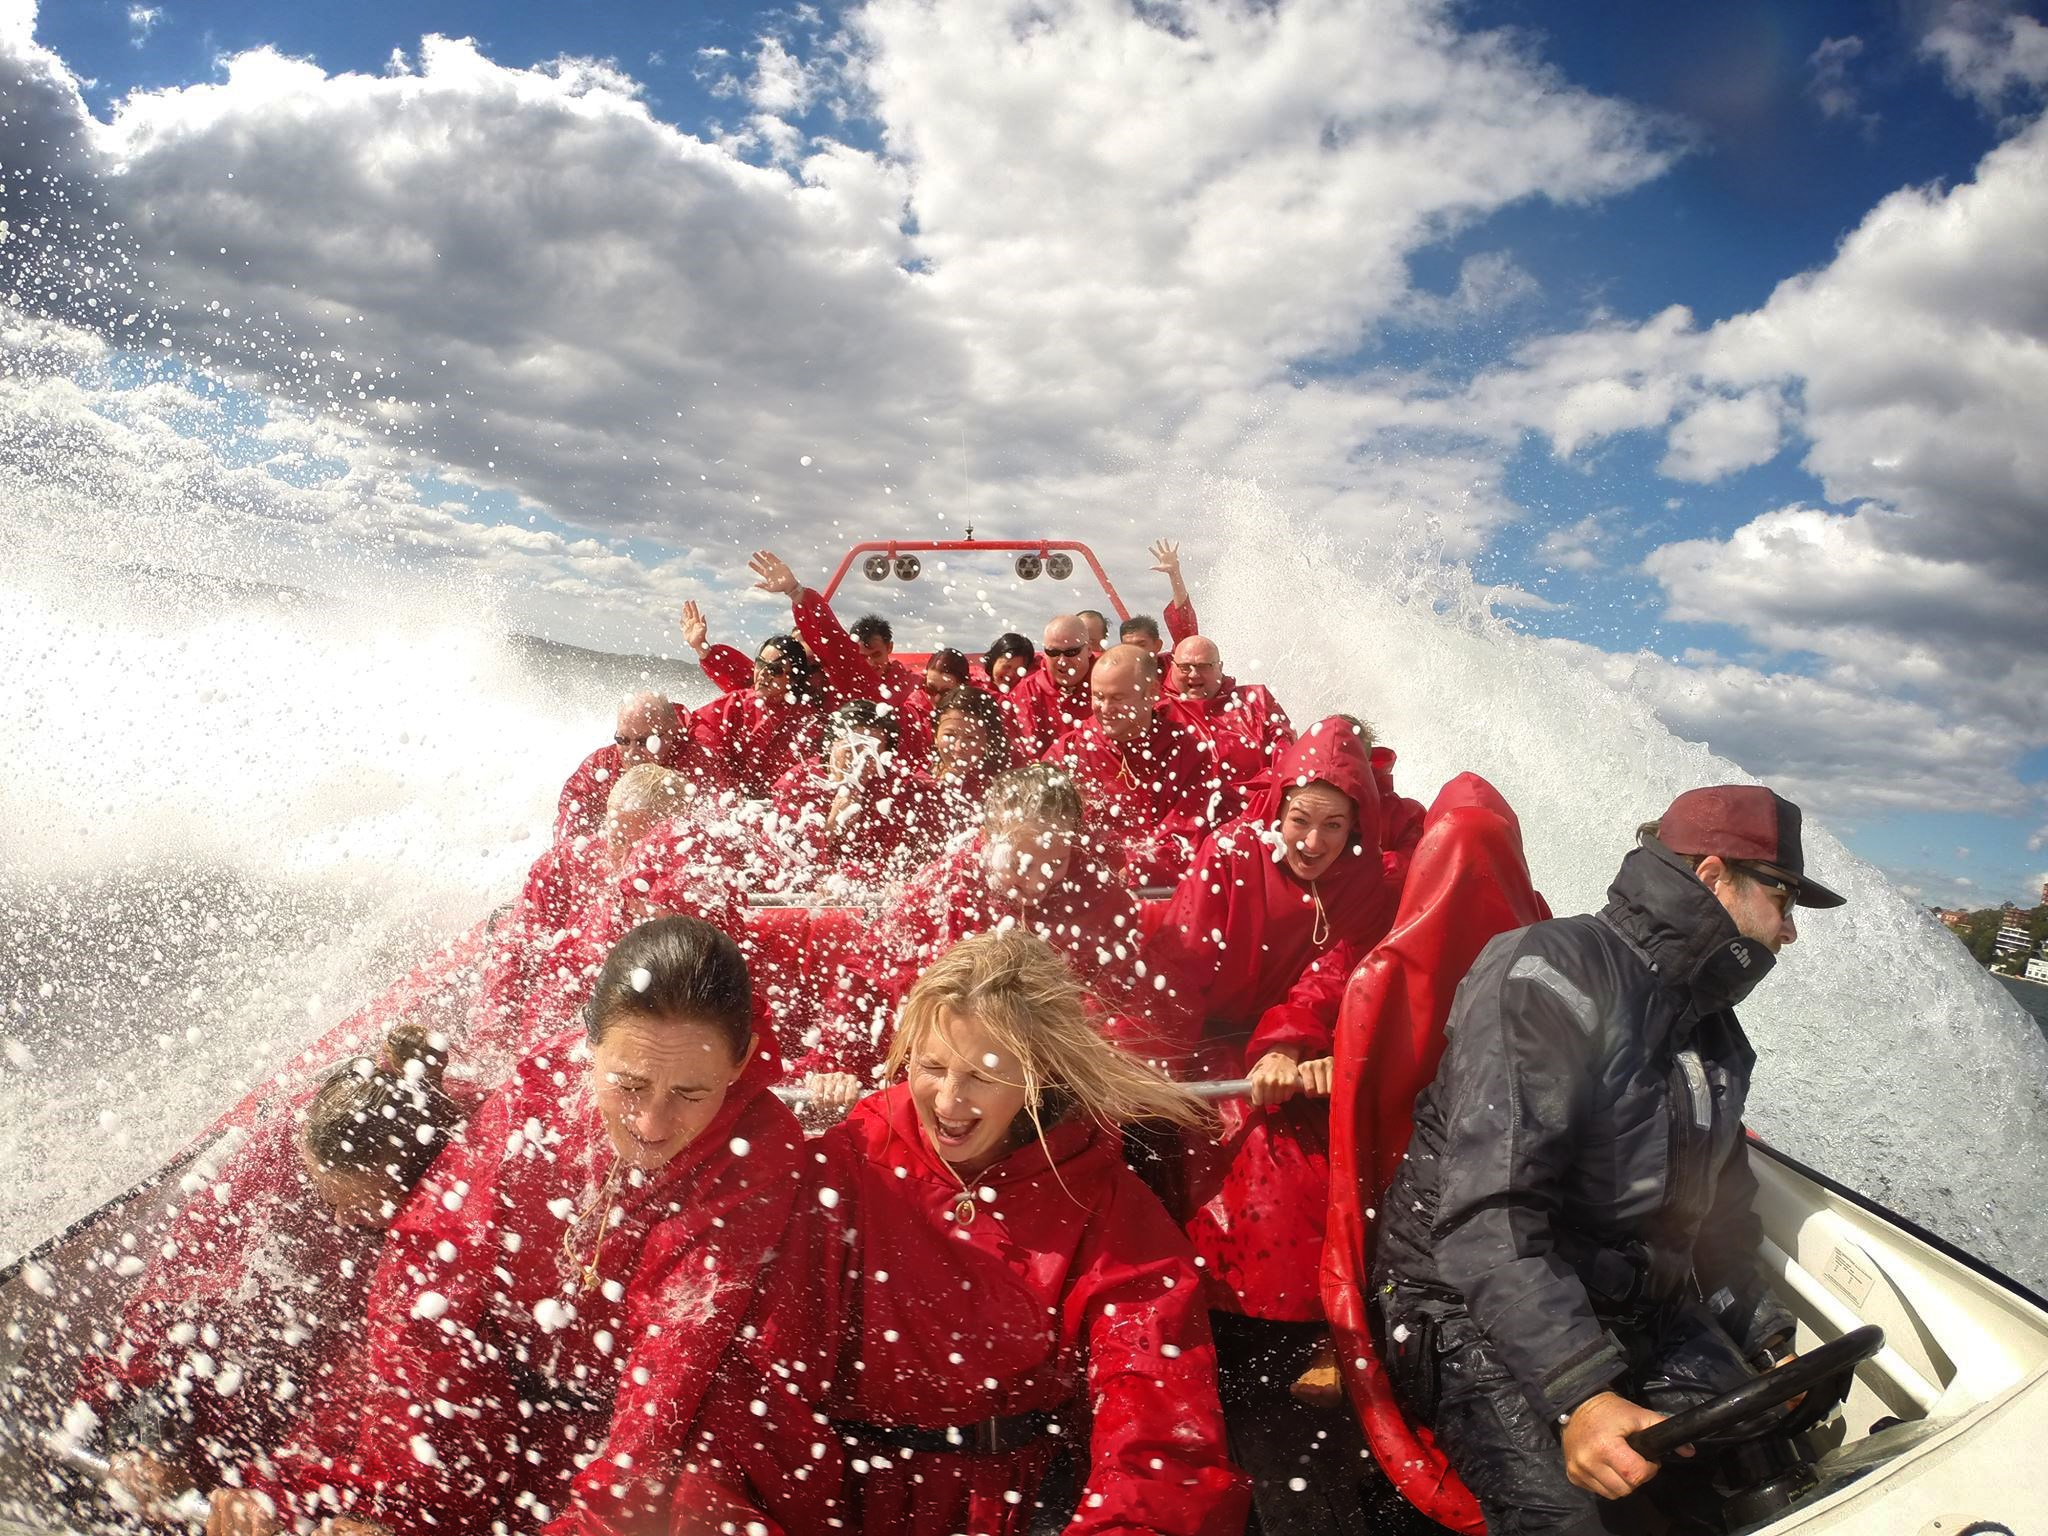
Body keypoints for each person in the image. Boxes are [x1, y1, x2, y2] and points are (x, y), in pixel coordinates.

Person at [660, 929, 1250, 1536]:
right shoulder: (854, 1159)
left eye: (983, 1076)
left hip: (1023, 1497)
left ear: (1037, 1076)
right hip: (853, 1491)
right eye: (932, 1066)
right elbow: (760, 1356)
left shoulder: (1093, 1191)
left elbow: (1151, 1397)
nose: (948, 1098)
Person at [1371, 785, 1844, 1532]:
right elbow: (1488, 1220)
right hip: (1464, 1302)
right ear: (1715, 874)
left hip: (1628, 1301)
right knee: (1569, 1522)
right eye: (1782, 898)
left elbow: (1717, 1222)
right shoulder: (1547, 973)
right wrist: (1583, 1397)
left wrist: (1770, 1345)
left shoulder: (1715, 1034)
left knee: (1767, 1454)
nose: (1789, 930)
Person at [263, 917, 805, 1536]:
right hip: (512, 1397)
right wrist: (393, 1500)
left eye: (689, 1092)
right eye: (628, 1084)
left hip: (673, 1438)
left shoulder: (759, 1152)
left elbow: (674, 1359)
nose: (652, 1123)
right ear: (591, 1046)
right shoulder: (540, 1091)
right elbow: (430, 1278)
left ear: (741, 1063)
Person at [74, 1024, 464, 1532]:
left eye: (363, 1211)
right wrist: (149, 1432)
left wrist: (295, 1499)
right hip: (267, 1393)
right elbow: (179, 1298)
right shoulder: (295, 1147)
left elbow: (372, 1390)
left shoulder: (448, 1215)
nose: (342, 1222)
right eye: (330, 1203)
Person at [794, 764, 1197, 1106]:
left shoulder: (1099, 894)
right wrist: (836, 1062)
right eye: (1020, 860)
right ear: (989, 839)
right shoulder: (946, 883)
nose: (1037, 879)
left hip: (1049, 1082)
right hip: (946, 1069)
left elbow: (1117, 1001)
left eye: (1054, 862)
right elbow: (869, 972)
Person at [1041, 643, 1221, 887]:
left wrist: (1132, 872)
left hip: (1157, 892)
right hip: (1083, 884)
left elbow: (1186, 832)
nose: (1105, 709)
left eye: (1117, 698)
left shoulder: (1187, 750)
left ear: (1151, 693)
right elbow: (1036, 810)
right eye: (1098, 696)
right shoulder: (1073, 748)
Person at [745, 549, 930, 758]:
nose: (870, 662)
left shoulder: (907, 687)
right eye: (863, 656)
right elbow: (753, 680)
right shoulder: (816, 680)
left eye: (875, 655)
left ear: (889, 649)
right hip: (833, 758)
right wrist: (706, 653)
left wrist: (796, 592)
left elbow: (835, 644)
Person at [1160, 634, 1295, 817]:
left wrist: (1239, 800)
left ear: (1220, 667)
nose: (1193, 674)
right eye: (1185, 667)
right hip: (1182, 825)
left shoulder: (1256, 701)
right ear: (1173, 667)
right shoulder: (1157, 712)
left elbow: (1288, 761)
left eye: (1203, 666)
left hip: (1253, 816)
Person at [554, 693, 717, 843]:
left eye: (643, 741)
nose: (632, 753)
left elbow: (714, 832)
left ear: (672, 732)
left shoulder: (698, 766)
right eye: (623, 740)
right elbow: (569, 839)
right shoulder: (600, 767)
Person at [686, 632, 825, 799]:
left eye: (775, 670)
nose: (763, 673)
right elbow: (703, 738)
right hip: (726, 798)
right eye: (760, 663)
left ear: (794, 678)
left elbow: (804, 776)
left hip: (775, 808)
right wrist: (725, 788)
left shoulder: (808, 722)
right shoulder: (736, 703)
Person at [1006, 613, 1094, 756]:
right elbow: (1024, 757)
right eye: (1053, 652)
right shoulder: (1027, 692)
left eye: (1071, 652)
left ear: (1089, 649)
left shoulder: (1110, 684)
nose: (1062, 662)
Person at [899, 646, 973, 762]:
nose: (937, 698)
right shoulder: (910, 713)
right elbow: (903, 761)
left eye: (946, 692)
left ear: (963, 687)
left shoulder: (976, 713)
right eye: (930, 689)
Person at [981, 631, 1036, 695]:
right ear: (993, 661)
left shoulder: (1026, 695)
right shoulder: (975, 685)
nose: (1010, 674)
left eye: (1018, 670)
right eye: (1007, 666)